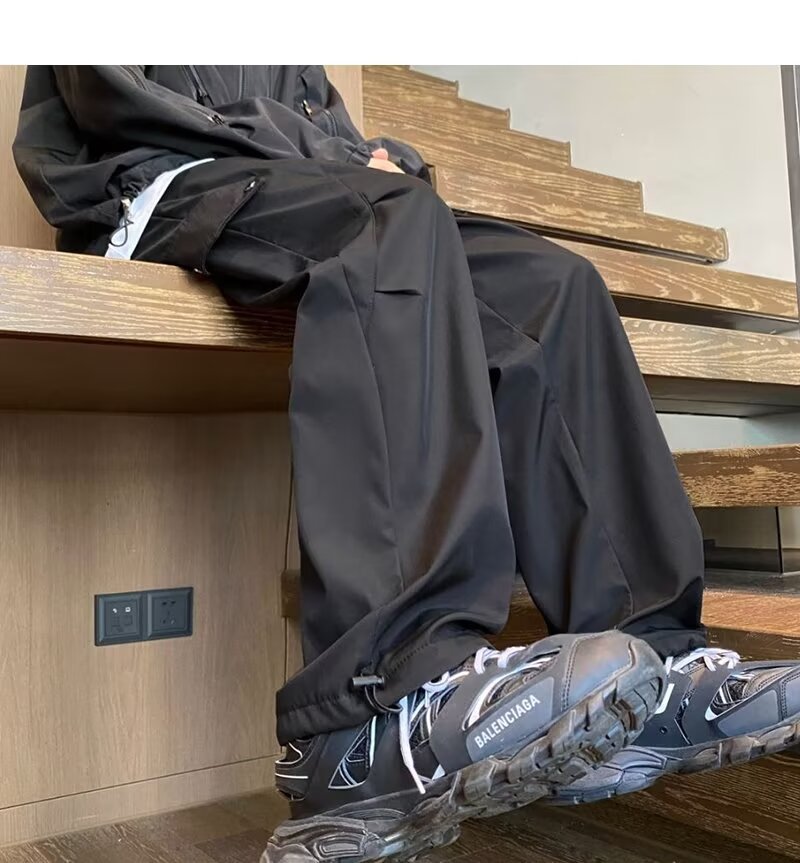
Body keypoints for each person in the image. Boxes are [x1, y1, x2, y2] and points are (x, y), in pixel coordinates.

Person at [14, 65, 800, 863]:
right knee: (387, 218)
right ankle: (372, 712)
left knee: (553, 283)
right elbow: (115, 98)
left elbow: (335, 132)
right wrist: (337, 158)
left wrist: (379, 155)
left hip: (304, 188)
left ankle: (653, 658)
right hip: (154, 187)